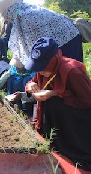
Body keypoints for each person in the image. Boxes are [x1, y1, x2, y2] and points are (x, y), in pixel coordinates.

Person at [23, 37, 91, 170]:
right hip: (55, 120)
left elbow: (87, 101)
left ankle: (68, 147)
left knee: (53, 103)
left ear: (52, 60)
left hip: (76, 120)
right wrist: (30, 85)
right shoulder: (44, 70)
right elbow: (32, 81)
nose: (40, 71)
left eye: (41, 67)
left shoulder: (72, 70)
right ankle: (53, 141)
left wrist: (55, 93)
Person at [0, 0, 84, 65]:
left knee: (71, 72)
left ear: (9, 12)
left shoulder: (26, 17)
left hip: (68, 40)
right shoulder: (26, 11)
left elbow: (31, 48)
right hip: (66, 37)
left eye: (5, 16)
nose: (6, 19)